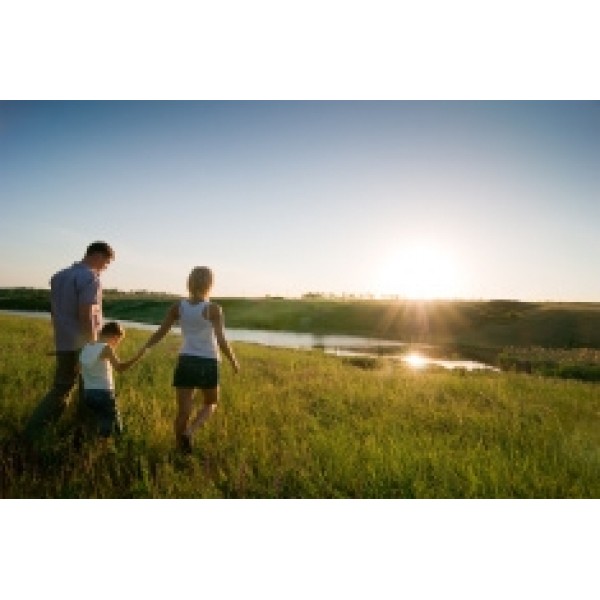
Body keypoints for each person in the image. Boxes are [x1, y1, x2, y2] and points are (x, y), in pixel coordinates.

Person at [23, 241, 115, 441]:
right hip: (83, 343)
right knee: (89, 389)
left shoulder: (59, 276)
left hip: (63, 340)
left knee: (62, 387)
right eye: (106, 263)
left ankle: (35, 430)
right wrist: (93, 344)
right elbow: (86, 312)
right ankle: (84, 436)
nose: (105, 268)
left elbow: (56, 310)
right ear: (98, 256)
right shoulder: (90, 277)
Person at [144, 266, 240, 454]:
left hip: (185, 360)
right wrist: (233, 361)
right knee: (211, 403)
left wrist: (145, 348)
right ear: (210, 284)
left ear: (189, 282)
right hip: (207, 361)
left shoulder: (178, 307)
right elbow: (221, 340)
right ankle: (190, 432)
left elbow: (161, 332)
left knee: (183, 411)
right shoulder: (213, 309)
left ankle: (180, 449)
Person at [79, 321, 146, 442]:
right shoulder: (106, 348)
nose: (117, 344)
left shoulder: (87, 347)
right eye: (118, 341)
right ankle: (108, 454)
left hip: (88, 394)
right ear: (115, 336)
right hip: (103, 394)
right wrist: (138, 357)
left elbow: (78, 368)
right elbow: (120, 368)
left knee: (98, 426)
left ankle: (92, 451)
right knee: (116, 431)